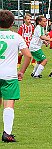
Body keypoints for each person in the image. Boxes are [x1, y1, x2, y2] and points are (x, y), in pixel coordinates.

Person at [0, 10, 32, 142]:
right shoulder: (16, 37)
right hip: (9, 76)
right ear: (12, 23)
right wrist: (22, 71)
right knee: (8, 103)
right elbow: (28, 55)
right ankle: (7, 133)